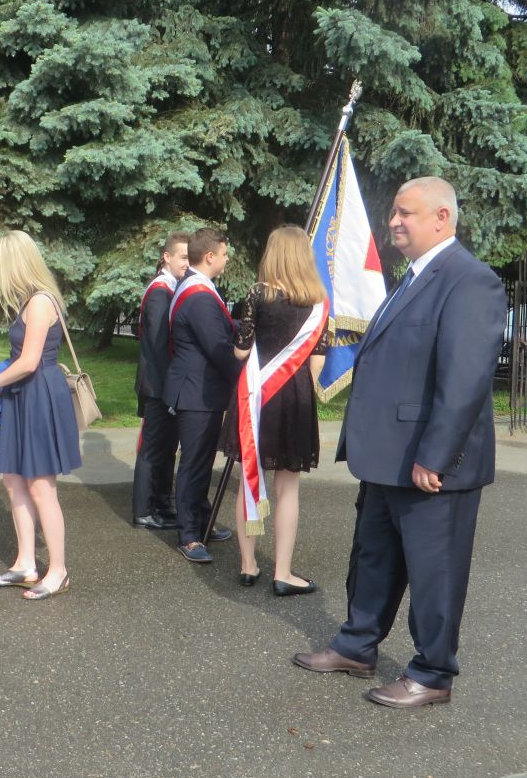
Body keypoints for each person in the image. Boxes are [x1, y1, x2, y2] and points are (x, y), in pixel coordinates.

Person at [293, 177, 506, 708]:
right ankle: (356, 646)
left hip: (430, 464)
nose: (393, 221)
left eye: (405, 212)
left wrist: (436, 456)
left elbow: (464, 380)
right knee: (373, 559)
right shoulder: (411, 279)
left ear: (442, 217)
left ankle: (432, 673)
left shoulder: (469, 281)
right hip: (387, 456)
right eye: (393, 211)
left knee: (435, 574)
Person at [219, 226, 330, 594]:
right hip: (295, 397)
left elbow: (241, 350)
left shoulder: (258, 294)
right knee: (288, 488)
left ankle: (248, 565)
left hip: (257, 396)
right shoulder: (318, 301)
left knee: (250, 477)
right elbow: (317, 361)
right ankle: (282, 573)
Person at [0, 230, 81, 600]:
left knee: (40, 485)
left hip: (38, 395)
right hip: (24, 395)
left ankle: (59, 571)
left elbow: (29, 361)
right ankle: (25, 564)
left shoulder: (40, 301)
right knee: (13, 478)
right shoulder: (29, 300)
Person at [163, 227, 240, 564]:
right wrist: (246, 379)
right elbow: (220, 348)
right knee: (194, 464)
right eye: (224, 254)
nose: (226, 259)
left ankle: (202, 519)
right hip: (196, 392)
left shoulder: (198, 288)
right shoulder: (198, 295)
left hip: (199, 391)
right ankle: (189, 535)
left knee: (202, 461)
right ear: (210, 256)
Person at [131, 231, 189, 529]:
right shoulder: (160, 291)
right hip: (157, 385)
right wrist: (171, 388)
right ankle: (144, 510)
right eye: (183, 257)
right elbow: (158, 346)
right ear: (166, 257)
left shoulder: (170, 288)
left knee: (167, 448)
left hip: (162, 384)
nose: (187, 263)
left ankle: (162, 504)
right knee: (153, 449)